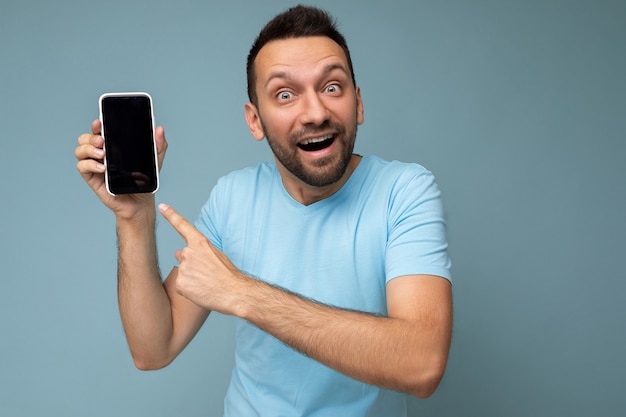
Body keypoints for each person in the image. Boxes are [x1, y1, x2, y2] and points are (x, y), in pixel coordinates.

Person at [75, 5, 453, 416]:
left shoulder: (405, 191)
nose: (315, 112)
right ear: (255, 121)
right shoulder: (233, 197)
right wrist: (133, 217)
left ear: (357, 104)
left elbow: (422, 365)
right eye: (285, 95)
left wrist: (241, 292)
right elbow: (153, 349)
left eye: (332, 87)